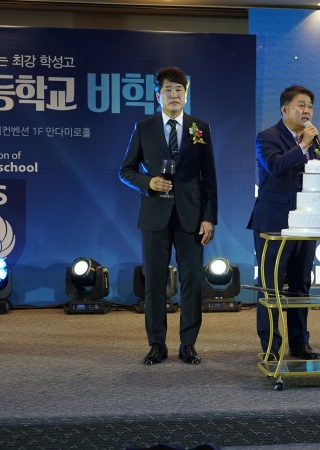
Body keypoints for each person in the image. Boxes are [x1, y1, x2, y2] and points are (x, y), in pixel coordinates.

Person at [119, 66, 218, 365]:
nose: (174, 95)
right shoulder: (144, 127)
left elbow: (209, 177)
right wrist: (148, 182)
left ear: (186, 94)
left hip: (191, 216)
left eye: (179, 90)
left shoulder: (200, 128)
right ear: (157, 95)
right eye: (168, 90)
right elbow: (125, 171)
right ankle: (156, 344)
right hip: (154, 215)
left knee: (192, 282)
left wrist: (209, 217)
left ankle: (188, 344)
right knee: (154, 283)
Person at [247, 85, 320, 360]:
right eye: (301, 105)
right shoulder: (267, 137)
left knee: (301, 286)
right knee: (271, 287)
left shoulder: (313, 141)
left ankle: (300, 343)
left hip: (306, 222)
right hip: (273, 222)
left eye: (310, 106)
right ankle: (271, 347)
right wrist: (302, 145)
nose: (307, 111)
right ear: (284, 109)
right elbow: (276, 167)